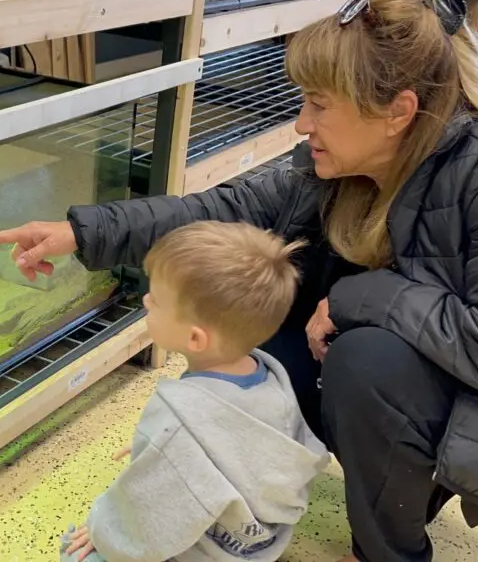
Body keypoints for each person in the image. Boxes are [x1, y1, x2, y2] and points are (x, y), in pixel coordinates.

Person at [0, 0, 478, 560]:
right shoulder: (332, 164)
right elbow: (222, 212)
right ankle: (245, 479)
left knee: (368, 360)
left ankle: (390, 551)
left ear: (397, 112)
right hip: (421, 371)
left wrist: (361, 296)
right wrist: (82, 233)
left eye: (319, 103)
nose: (302, 124)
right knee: (258, 304)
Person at [57, 221, 330, 562]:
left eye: (155, 301)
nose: (145, 300)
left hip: (205, 552)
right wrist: (173, 442)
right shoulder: (271, 379)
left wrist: (102, 529)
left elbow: (147, 520)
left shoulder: (178, 419)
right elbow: (241, 443)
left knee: (79, 554)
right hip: (257, 546)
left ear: (195, 339)